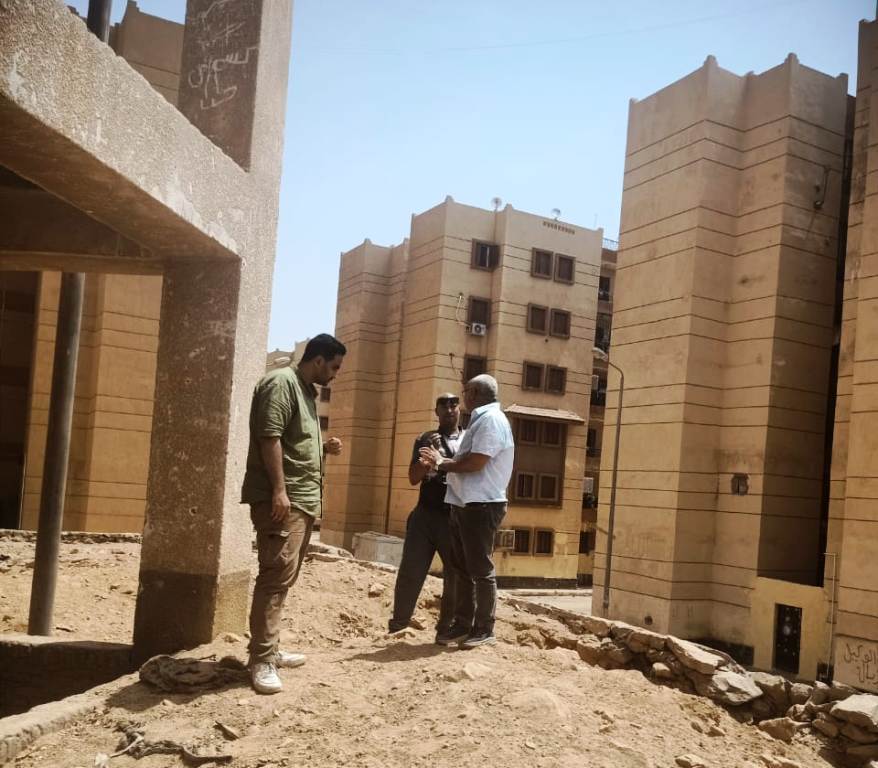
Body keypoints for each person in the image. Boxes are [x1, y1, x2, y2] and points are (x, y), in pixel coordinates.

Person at [240, 333, 347, 694]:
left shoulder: (304, 391)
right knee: (274, 577)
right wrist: (279, 491)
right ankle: (261, 660)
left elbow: (291, 441)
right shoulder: (281, 383)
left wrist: (323, 447)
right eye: (334, 367)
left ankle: (268, 648)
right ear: (318, 361)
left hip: (302, 499)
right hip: (284, 501)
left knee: (283, 577)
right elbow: (269, 437)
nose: (335, 374)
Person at [420, 374, 514, 649]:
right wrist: (443, 462)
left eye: (464, 393)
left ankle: (484, 628)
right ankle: (463, 625)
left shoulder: (491, 420)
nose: (462, 399)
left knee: (480, 570)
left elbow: (476, 463)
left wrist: (441, 463)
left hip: (481, 504)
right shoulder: (481, 419)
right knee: (462, 569)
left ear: (473, 393)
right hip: (464, 503)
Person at [388, 393, 465, 642]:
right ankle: (398, 626)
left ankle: (446, 629)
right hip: (425, 515)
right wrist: (425, 460)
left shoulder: (468, 440)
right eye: (444, 405)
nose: (449, 409)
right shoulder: (426, 438)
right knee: (411, 571)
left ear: (459, 409)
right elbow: (413, 478)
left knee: (455, 575)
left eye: (453, 404)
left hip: (453, 516)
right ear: (436, 412)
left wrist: (444, 462)